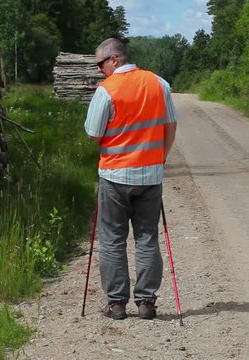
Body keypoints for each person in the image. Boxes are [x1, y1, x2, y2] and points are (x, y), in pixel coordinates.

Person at [84, 38, 178, 320]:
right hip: (150, 174)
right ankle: (147, 302)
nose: (100, 70)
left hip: (114, 175)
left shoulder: (107, 91)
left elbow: (93, 133)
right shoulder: (159, 84)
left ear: (114, 59)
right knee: (147, 237)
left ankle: (116, 304)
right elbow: (170, 124)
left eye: (101, 64)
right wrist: (160, 157)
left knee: (113, 239)